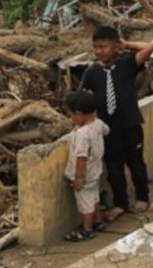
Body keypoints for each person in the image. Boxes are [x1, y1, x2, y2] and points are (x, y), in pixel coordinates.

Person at [80, 26, 153, 221]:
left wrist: (126, 44)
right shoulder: (92, 72)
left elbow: (148, 48)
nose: (99, 51)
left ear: (115, 46)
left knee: (136, 164)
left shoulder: (127, 64)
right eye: (96, 47)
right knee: (114, 169)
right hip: (107, 130)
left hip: (130, 125)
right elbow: (82, 98)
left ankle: (142, 197)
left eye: (104, 46)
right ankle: (120, 203)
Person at [63, 91, 110, 242]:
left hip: (85, 175)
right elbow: (107, 131)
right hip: (95, 171)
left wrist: (78, 178)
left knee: (85, 205)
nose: (71, 118)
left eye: (71, 115)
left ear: (79, 114)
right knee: (94, 198)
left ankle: (86, 230)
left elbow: (81, 158)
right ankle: (97, 222)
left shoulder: (82, 134)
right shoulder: (98, 124)